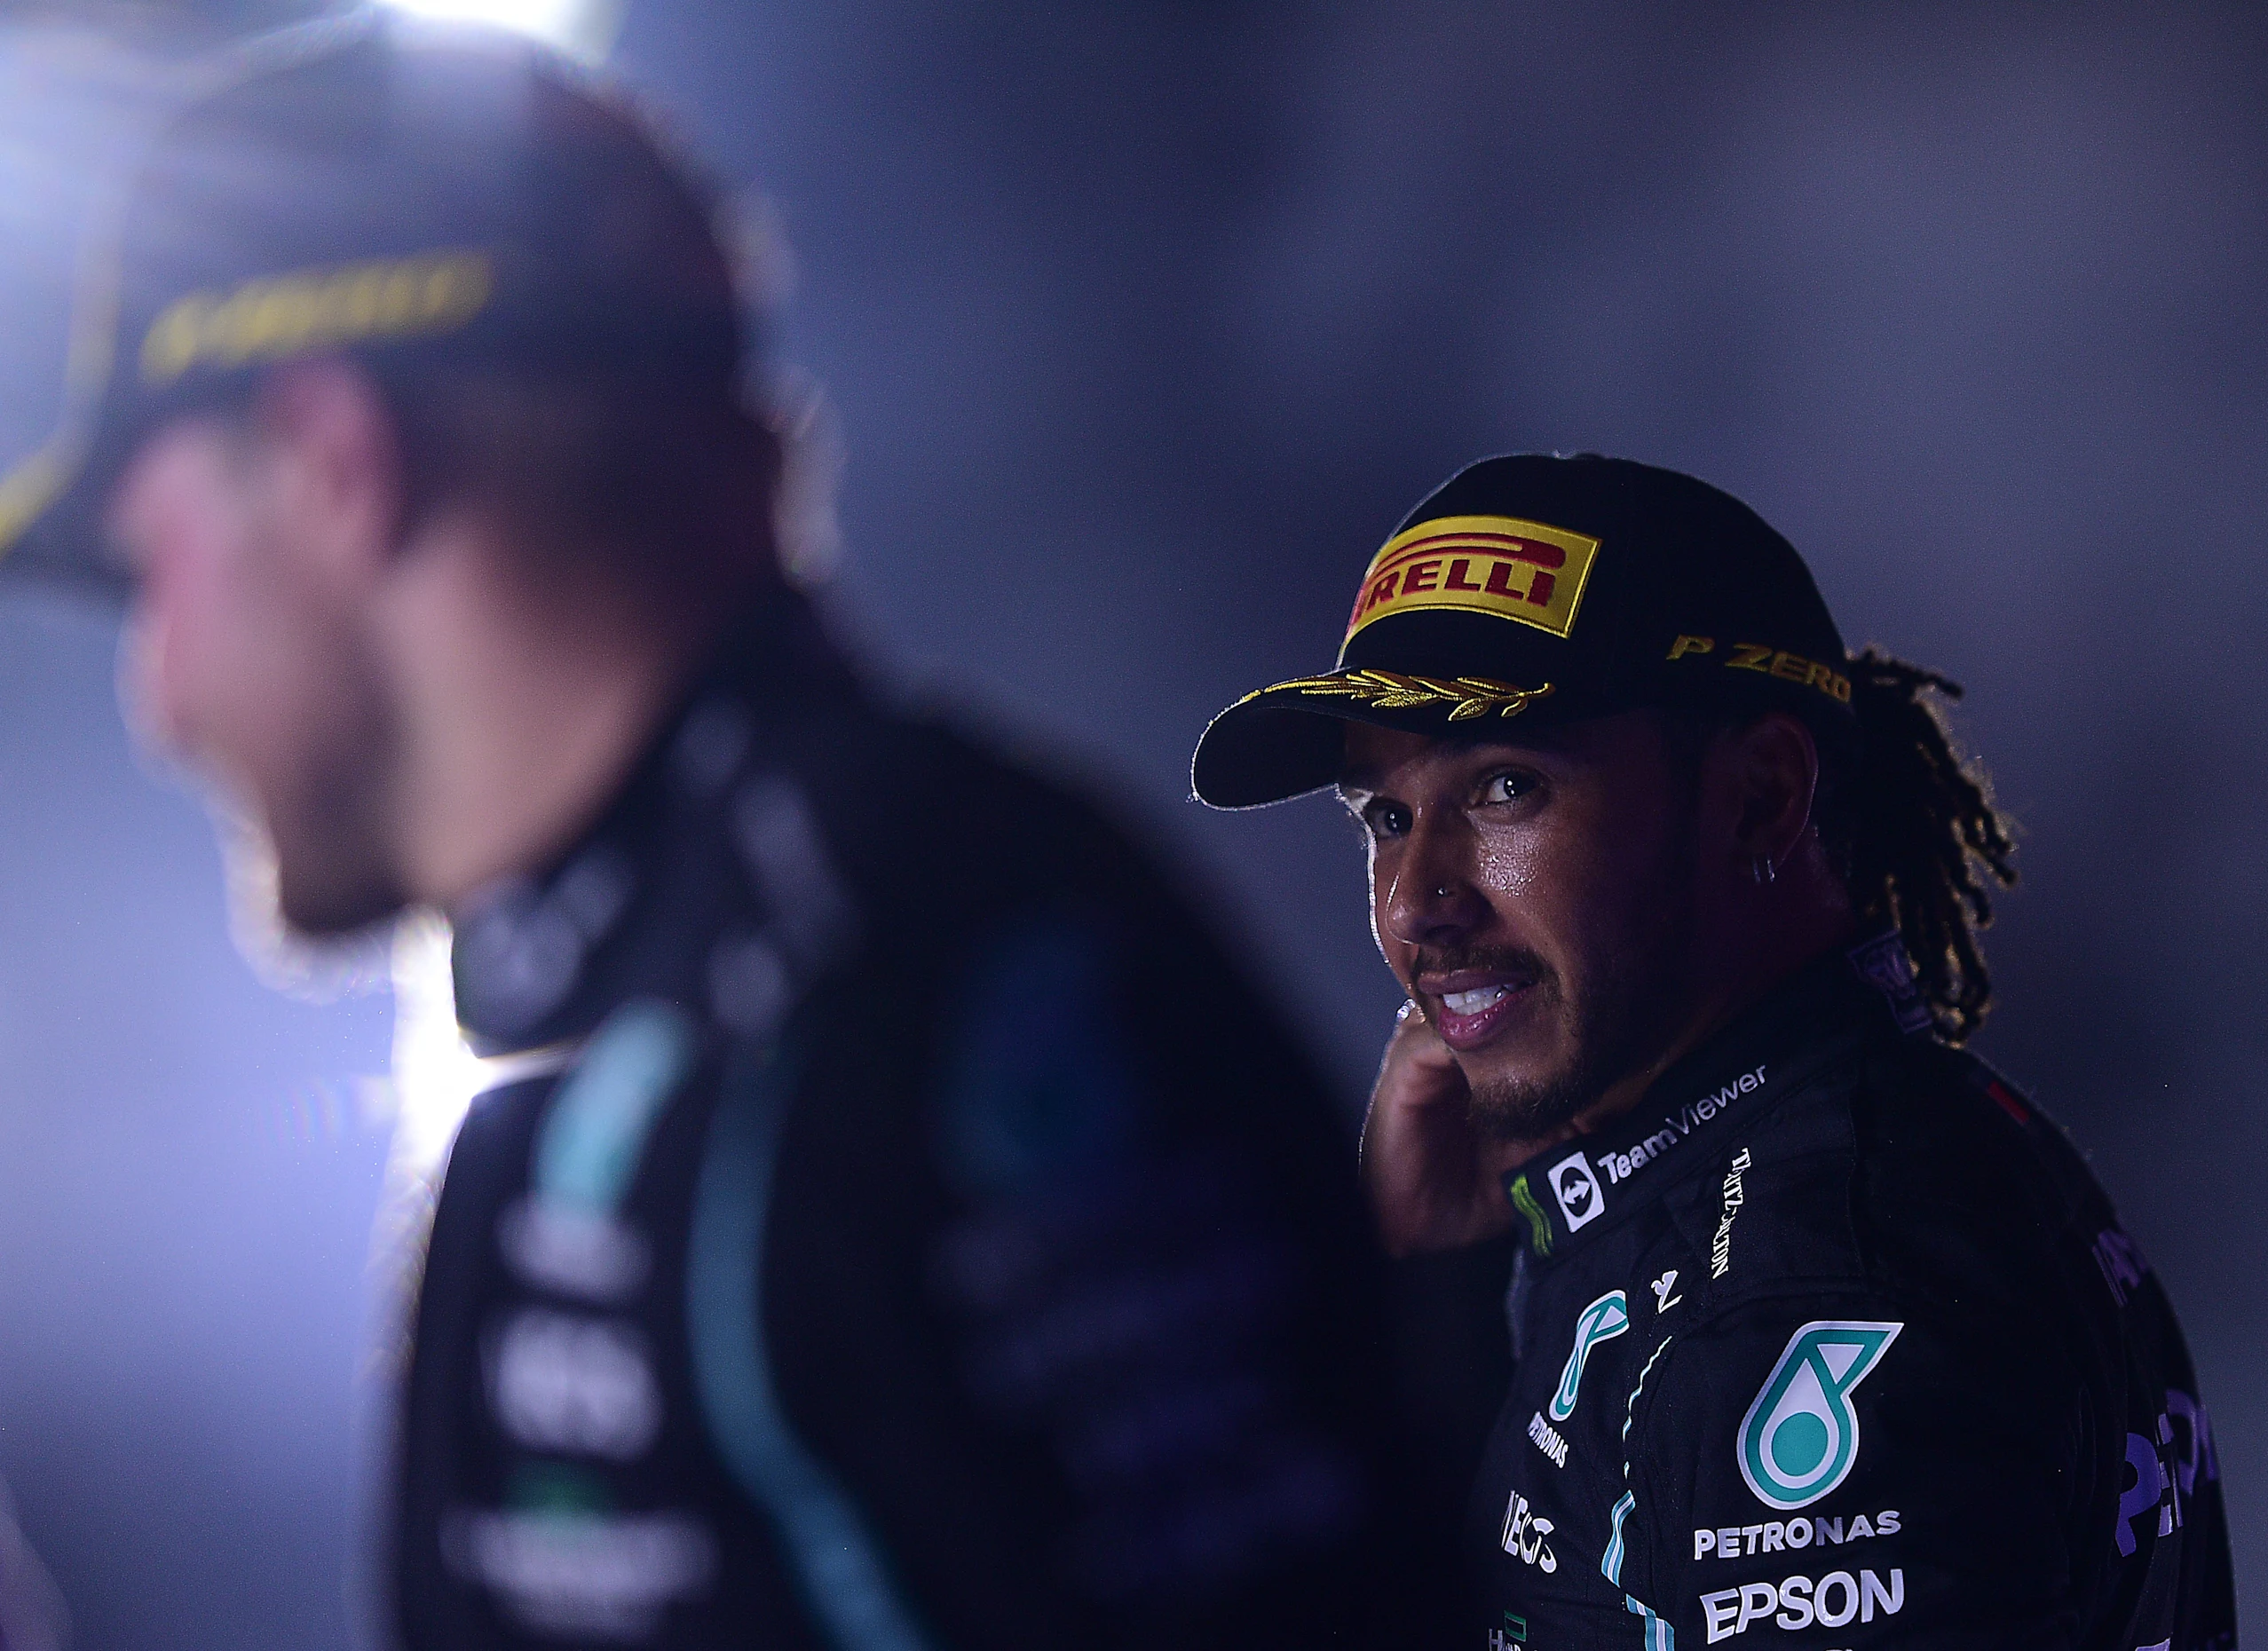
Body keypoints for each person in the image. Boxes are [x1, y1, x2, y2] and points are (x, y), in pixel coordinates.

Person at [0, 18, 1441, 1648]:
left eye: (152, 574)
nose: (158, 696)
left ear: (339, 467)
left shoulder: (924, 986)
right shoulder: (641, 1026)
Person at [1192, 454, 2237, 1649]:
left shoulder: (1794, 1296)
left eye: (1504, 785)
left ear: (1759, 797)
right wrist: (1445, 1289)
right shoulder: (1777, 1173)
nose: (1418, 901)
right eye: (1386, 816)